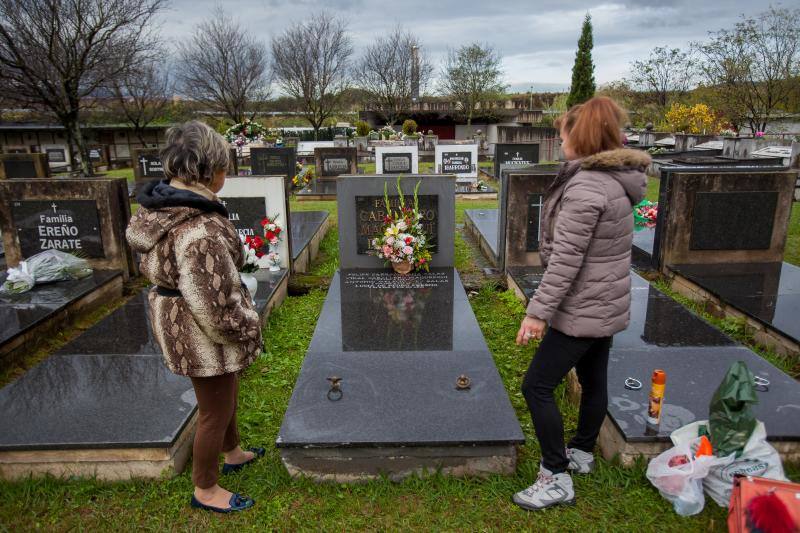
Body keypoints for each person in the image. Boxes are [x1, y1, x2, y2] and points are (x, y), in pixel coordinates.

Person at [512, 97, 650, 511]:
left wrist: (537, 312)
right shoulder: (616, 180)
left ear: (581, 136)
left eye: (563, 134)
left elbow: (568, 260)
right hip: (605, 304)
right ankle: (583, 452)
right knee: (593, 382)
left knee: (536, 386)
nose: (560, 141)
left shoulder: (588, 187)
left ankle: (555, 476)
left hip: (582, 308)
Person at [126, 121, 264, 514]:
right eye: (225, 167)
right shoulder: (200, 230)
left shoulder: (163, 210)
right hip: (199, 331)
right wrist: (249, 326)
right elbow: (216, 310)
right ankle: (205, 487)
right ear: (209, 171)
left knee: (225, 393)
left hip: (178, 318)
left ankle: (233, 451)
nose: (227, 175)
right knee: (213, 410)